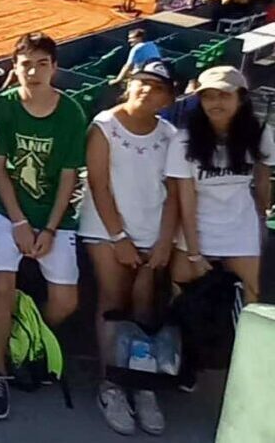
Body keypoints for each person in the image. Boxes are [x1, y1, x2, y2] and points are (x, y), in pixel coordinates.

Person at [0, 32, 87, 421]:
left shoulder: (71, 112)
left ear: (55, 68)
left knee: (66, 301)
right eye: (26, 64)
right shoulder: (5, 105)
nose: (34, 71)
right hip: (6, 211)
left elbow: (67, 177)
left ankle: (24, 338)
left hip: (55, 219)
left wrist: (49, 229)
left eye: (43, 64)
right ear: (16, 68)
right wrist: (21, 222)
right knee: (2, 287)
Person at [79, 61, 177, 436]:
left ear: (168, 97)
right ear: (129, 85)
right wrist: (119, 237)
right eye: (141, 83)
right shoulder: (104, 126)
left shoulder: (170, 135)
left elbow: (172, 195)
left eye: (156, 87)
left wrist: (165, 240)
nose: (146, 91)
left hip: (152, 233)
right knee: (114, 300)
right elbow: (100, 186)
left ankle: (142, 384)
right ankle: (112, 384)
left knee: (144, 304)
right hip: (106, 230)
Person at [167, 66, 273, 308]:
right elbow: (186, 198)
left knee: (249, 301)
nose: (216, 103)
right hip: (196, 233)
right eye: (208, 96)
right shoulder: (183, 140)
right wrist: (194, 253)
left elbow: (263, 181)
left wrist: (259, 221)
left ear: (241, 97)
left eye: (224, 95)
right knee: (182, 302)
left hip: (240, 232)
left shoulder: (260, 133)